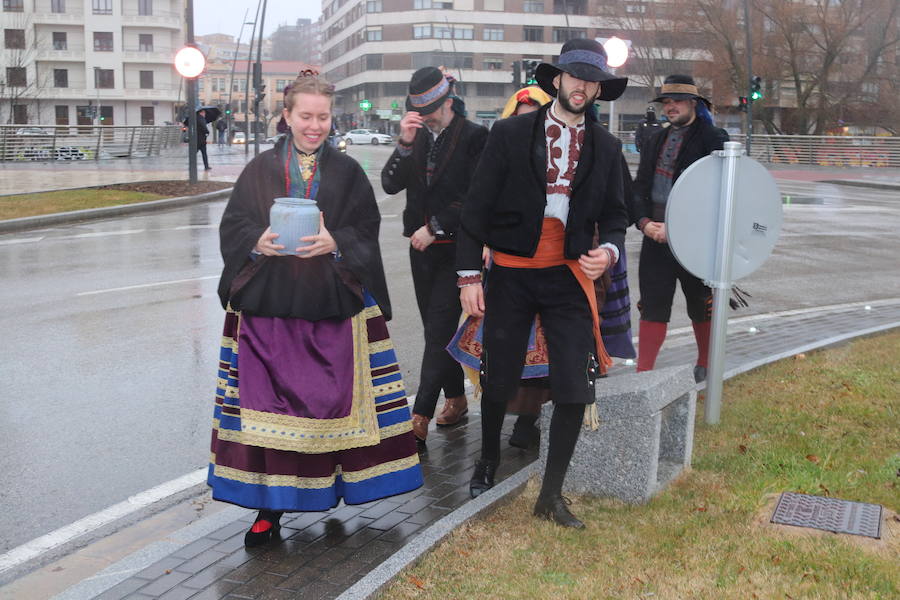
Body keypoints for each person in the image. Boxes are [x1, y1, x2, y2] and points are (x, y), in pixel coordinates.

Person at [208, 72, 423, 548]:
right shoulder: (259, 170)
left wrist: (336, 242)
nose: (314, 125)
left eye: (322, 117)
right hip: (269, 311)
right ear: (286, 117)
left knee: (329, 414)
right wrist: (256, 242)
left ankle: (334, 490)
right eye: (305, 116)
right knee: (268, 420)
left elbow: (366, 230)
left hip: (330, 308)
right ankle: (268, 510)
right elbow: (234, 226)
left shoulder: (347, 173)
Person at [456, 38, 630, 528]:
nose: (582, 86)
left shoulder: (608, 146)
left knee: (576, 385)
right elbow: (475, 209)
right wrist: (470, 275)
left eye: (591, 80)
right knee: (500, 376)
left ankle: (550, 495)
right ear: (556, 80)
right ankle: (487, 459)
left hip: (568, 275)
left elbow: (617, 216)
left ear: (598, 89)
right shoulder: (510, 133)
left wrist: (609, 252)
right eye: (575, 76)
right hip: (511, 273)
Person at [381, 67, 488, 449]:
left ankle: (420, 416)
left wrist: (437, 226)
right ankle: (456, 400)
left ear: (446, 102)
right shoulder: (417, 138)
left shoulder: (476, 136)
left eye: (430, 110)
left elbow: (478, 196)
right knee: (435, 330)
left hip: (457, 249)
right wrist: (405, 143)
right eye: (419, 111)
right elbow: (390, 183)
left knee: (438, 329)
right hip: (421, 251)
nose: (425, 117)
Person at [631, 74, 729, 383]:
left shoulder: (714, 138)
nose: (670, 107)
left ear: (694, 104)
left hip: (696, 239)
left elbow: (722, 193)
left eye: (677, 101)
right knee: (653, 304)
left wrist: (681, 228)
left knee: (700, 303)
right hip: (655, 236)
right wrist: (645, 223)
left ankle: (705, 365)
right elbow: (640, 188)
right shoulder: (655, 138)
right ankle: (643, 374)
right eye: (666, 102)